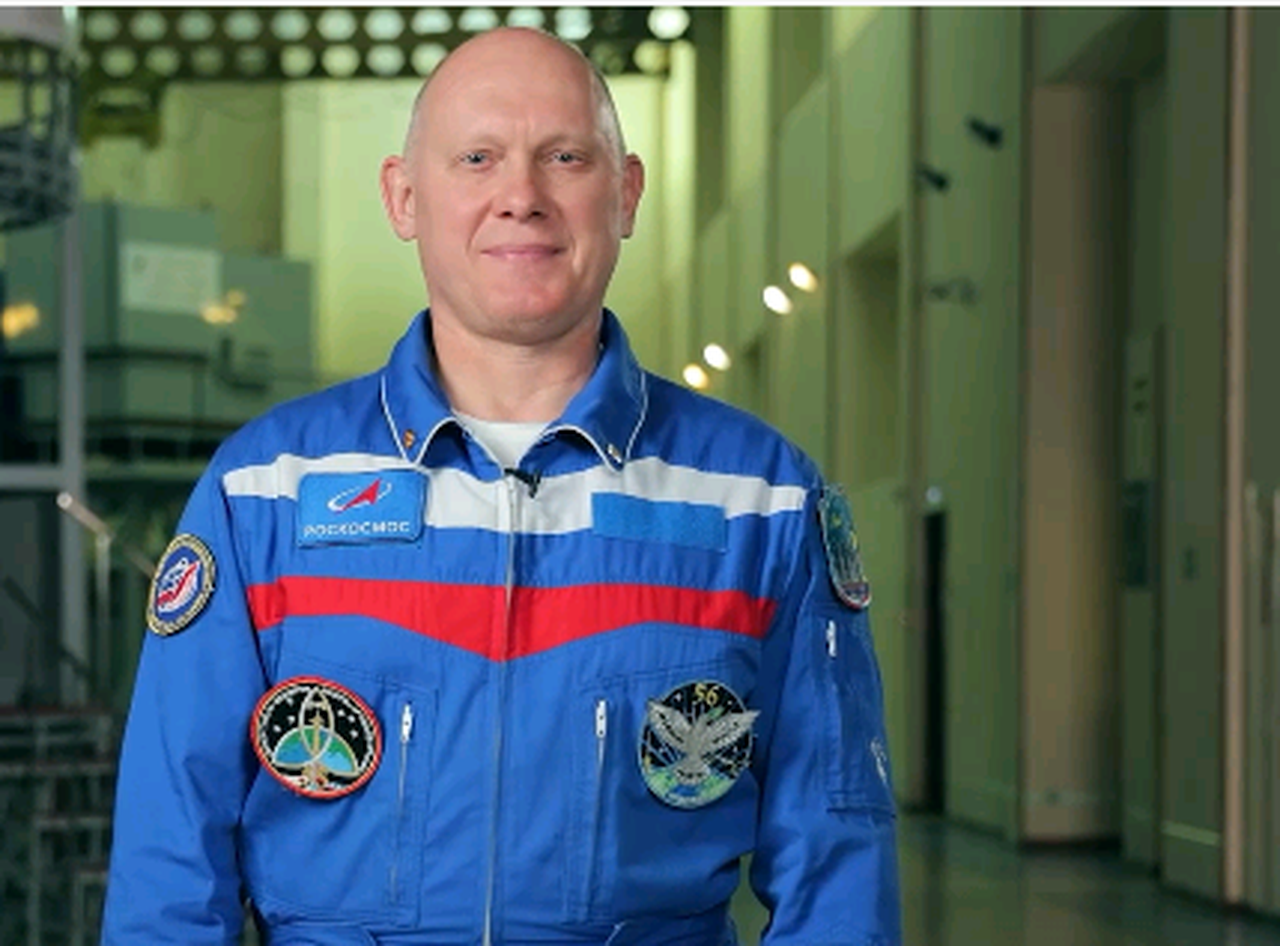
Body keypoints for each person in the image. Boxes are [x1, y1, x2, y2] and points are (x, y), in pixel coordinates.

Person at [100, 27, 900, 946]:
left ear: (626, 193)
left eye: (565, 157)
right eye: (477, 158)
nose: (521, 197)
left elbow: (838, 873)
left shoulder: (760, 501)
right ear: (404, 197)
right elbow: (172, 856)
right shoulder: (265, 493)